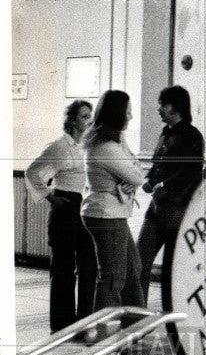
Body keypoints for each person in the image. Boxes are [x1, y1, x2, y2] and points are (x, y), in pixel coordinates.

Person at [25, 99, 97, 333]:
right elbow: (33, 171)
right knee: (63, 270)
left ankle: (83, 321)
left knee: (88, 265)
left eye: (90, 116)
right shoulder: (59, 146)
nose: (89, 120)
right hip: (65, 207)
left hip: (82, 208)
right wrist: (49, 195)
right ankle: (61, 326)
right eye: (84, 116)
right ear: (72, 120)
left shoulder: (84, 147)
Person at [136, 86, 205, 305]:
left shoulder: (193, 135)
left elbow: (192, 174)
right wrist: (149, 179)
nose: (158, 109)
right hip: (158, 207)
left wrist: (164, 184)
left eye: (162, 104)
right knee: (140, 262)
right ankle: (137, 316)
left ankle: (172, 319)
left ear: (174, 107)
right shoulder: (165, 132)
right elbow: (159, 164)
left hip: (178, 210)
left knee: (172, 270)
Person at [81, 90, 146, 311]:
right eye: (128, 111)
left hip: (109, 214)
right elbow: (137, 175)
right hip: (107, 216)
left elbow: (135, 170)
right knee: (112, 278)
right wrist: (132, 177)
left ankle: (136, 325)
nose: (131, 116)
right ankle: (100, 333)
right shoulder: (106, 148)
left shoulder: (112, 143)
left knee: (132, 269)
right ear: (117, 114)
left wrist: (132, 175)